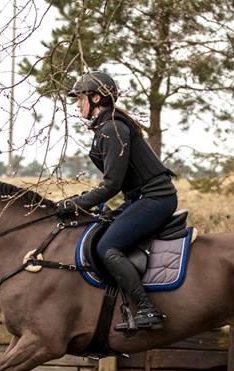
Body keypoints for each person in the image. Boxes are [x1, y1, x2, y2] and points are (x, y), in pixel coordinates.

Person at [55, 71, 178, 331]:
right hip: (140, 198)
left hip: (156, 198)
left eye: (80, 98)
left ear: (95, 98)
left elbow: (111, 185)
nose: (77, 105)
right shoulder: (107, 127)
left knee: (107, 247)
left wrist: (75, 204)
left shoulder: (113, 128)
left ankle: (146, 308)